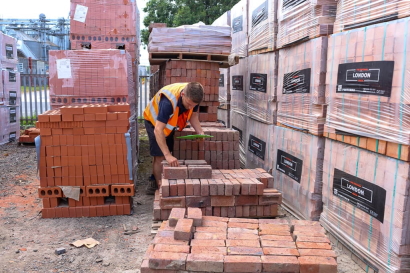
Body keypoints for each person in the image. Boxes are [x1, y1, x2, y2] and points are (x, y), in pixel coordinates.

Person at [143, 82, 205, 194]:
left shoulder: (194, 95)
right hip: (153, 121)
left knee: (166, 150)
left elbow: (193, 116)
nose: (191, 107)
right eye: (189, 104)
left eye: (194, 105)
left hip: (167, 123)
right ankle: (159, 187)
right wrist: (168, 155)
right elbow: (158, 130)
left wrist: (200, 132)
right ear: (183, 94)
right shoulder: (168, 102)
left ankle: (156, 176)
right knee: (160, 155)